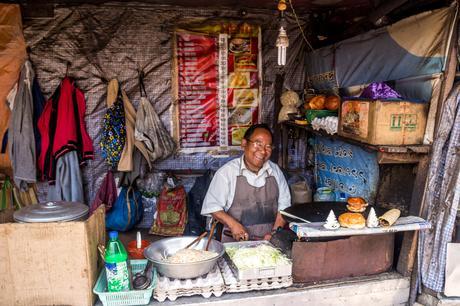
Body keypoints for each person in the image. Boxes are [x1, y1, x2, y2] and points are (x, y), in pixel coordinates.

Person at [201, 123, 291, 242]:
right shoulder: (227, 173)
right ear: (244, 144)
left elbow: (284, 207)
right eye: (258, 144)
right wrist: (233, 224)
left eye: (268, 146)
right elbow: (212, 207)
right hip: (234, 244)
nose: (263, 151)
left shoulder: (275, 172)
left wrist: (274, 233)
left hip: (268, 243)